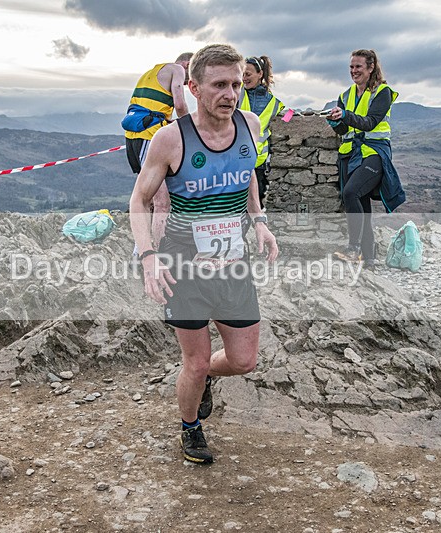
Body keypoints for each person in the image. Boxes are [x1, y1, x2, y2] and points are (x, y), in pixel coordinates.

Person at [129, 44, 279, 464]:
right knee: (193, 362)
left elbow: (246, 171)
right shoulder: (171, 139)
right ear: (194, 87)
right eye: (219, 85)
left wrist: (261, 221)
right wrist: (148, 256)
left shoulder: (249, 124)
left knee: (244, 360)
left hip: (231, 258)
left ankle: (207, 377)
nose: (230, 93)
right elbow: (139, 200)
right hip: (183, 260)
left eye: (236, 84)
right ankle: (190, 428)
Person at [326, 49, 405, 268]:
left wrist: (345, 116)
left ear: (371, 68)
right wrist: (335, 121)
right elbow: (344, 128)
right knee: (361, 202)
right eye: (351, 67)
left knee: (350, 192)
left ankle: (353, 249)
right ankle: (368, 258)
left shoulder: (383, 92)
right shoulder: (345, 95)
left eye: (358, 66)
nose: (354, 71)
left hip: (373, 152)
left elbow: (370, 122)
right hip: (351, 153)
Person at [123, 52, 192, 249]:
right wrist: (190, 130)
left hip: (133, 140)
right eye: (190, 79)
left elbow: (153, 108)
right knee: (162, 203)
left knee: (145, 199)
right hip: (149, 137)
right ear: (187, 64)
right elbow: (179, 104)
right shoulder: (177, 69)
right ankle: (160, 254)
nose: (187, 84)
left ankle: (140, 251)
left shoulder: (150, 73)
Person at [238, 55, 286, 208]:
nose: (244, 78)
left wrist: (303, 114)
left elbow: (288, 115)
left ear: (260, 74)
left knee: (255, 204)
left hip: (258, 161)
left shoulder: (273, 102)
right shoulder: (236, 94)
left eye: (248, 74)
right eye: (242, 74)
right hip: (235, 158)